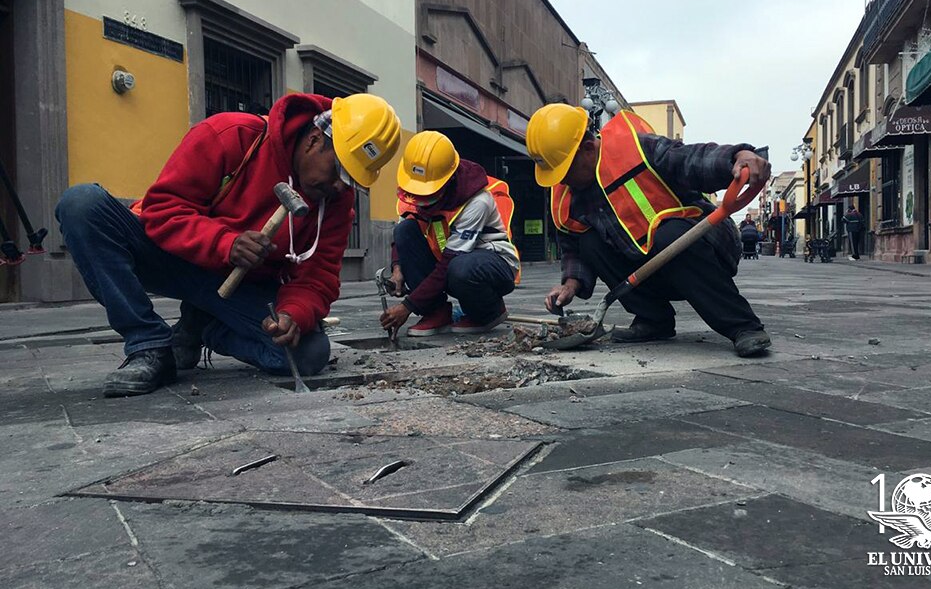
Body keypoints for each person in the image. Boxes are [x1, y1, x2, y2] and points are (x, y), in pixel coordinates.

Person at [55, 93, 402, 397]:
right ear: (314, 140)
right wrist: (225, 243)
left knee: (309, 353)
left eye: (352, 182)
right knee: (82, 205)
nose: (341, 188)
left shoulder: (336, 203)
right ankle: (148, 345)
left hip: (239, 285)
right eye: (338, 173)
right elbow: (162, 211)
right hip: (170, 256)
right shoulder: (230, 135)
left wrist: (291, 314)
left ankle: (201, 327)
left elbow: (317, 276)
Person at [526, 104, 772, 357]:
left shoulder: (637, 149)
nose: (562, 180)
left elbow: (691, 159)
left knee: (668, 236)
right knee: (590, 242)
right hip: (648, 267)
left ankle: (743, 326)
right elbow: (574, 247)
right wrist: (570, 284)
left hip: (703, 245)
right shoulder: (568, 193)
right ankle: (653, 320)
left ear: (589, 148)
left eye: (565, 170)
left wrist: (737, 157)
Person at [380, 131, 519, 336]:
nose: (421, 200)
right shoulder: (413, 190)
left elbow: (448, 264)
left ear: (448, 180)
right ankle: (436, 312)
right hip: (451, 260)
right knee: (404, 230)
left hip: (492, 264)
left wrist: (407, 306)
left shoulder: (477, 201)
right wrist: (397, 269)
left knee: (460, 268)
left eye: (428, 194)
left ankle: (488, 311)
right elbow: (403, 235)